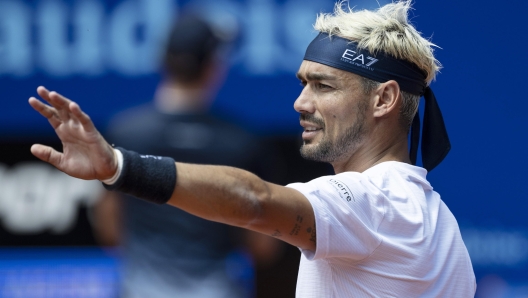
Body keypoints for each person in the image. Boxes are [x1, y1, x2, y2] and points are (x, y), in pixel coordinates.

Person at [28, 1, 476, 297]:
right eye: (302, 84)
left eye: (323, 86)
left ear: (384, 99)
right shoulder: (441, 224)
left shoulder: (372, 203)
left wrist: (120, 167)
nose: (301, 103)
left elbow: (255, 201)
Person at [91, 14, 282, 298]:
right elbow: (262, 246)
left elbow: (109, 228)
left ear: (163, 60)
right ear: (213, 67)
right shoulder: (239, 142)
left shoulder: (126, 132)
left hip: (141, 290)